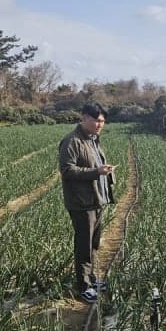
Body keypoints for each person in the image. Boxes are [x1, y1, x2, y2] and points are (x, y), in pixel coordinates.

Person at [58, 103, 116, 303]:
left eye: (102, 121)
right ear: (84, 118)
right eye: (96, 120)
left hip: (96, 200)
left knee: (93, 243)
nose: (99, 125)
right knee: (83, 245)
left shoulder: (93, 140)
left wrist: (104, 172)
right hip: (82, 204)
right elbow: (67, 170)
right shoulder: (72, 141)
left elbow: (94, 165)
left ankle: (91, 278)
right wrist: (96, 172)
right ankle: (83, 286)